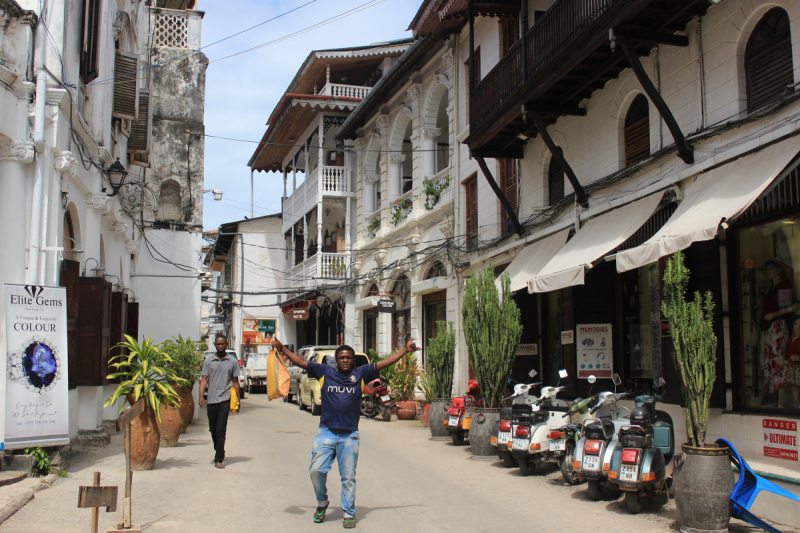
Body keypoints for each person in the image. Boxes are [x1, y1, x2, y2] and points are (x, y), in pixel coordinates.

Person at [271, 337, 419, 529]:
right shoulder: (325, 372)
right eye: (342, 357)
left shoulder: (361, 373)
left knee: (348, 477)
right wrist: (282, 348)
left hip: (349, 435)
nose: (346, 360)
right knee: (316, 470)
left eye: (349, 357)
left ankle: (348, 513)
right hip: (326, 432)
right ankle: (322, 501)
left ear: (353, 360)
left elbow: (384, 362)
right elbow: (300, 362)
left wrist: (404, 351)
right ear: (336, 360)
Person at [759, 258, 799, 407]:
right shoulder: (771, 289)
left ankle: (781, 399)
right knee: (770, 362)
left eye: (771, 268)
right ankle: (774, 396)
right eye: (767, 269)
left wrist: (775, 314)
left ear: (779, 270)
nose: (769, 272)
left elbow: (793, 307)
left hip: (777, 326)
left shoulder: (783, 287)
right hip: (768, 327)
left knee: (779, 361)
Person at [199, 334, 241, 469]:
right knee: (212, 429)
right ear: (215, 345)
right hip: (211, 399)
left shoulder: (233, 362)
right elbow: (204, 379)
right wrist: (201, 396)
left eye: (223, 344)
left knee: (221, 430)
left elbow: (235, 382)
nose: (220, 346)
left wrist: (238, 401)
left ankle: (219, 459)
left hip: (225, 399)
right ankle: (220, 449)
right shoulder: (208, 361)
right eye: (218, 344)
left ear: (227, 344)